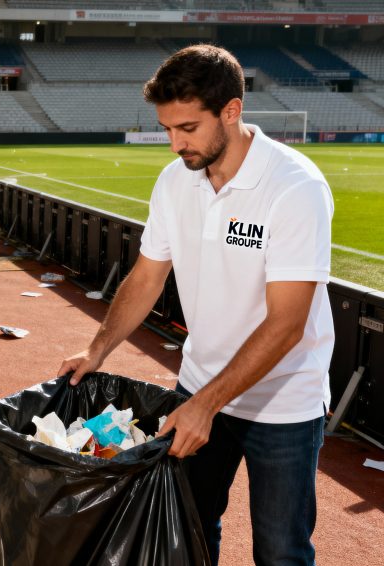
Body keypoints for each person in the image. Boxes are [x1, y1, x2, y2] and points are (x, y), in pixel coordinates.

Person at [59, 44, 334, 565]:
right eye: (166, 128)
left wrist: (205, 404)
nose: (173, 144)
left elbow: (288, 323)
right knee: (187, 527)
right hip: (200, 384)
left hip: (283, 401)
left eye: (186, 128)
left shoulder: (295, 187)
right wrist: (98, 350)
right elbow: (145, 278)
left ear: (230, 111)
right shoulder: (174, 181)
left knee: (280, 551)